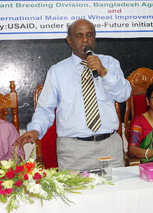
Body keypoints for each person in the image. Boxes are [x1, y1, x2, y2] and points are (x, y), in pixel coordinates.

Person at [14, 19, 131, 170]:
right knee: (77, 193)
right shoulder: (57, 71)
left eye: (89, 35)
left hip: (109, 146)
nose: (85, 40)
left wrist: (104, 72)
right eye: (79, 36)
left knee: (115, 192)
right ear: (69, 41)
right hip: (74, 150)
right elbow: (45, 109)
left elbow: (123, 95)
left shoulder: (110, 63)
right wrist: (36, 129)